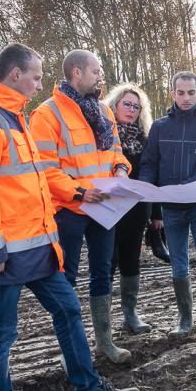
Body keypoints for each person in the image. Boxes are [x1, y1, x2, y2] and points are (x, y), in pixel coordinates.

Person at [0, 43, 139, 391]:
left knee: (69, 309)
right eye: (35, 76)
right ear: (14, 74)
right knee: (1, 332)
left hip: (36, 247)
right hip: (3, 253)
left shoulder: (13, 116)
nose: (40, 83)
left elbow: (33, 184)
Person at [29, 50, 132, 364]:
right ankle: (70, 350)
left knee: (103, 273)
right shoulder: (47, 115)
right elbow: (45, 169)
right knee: (67, 279)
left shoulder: (102, 109)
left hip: (104, 208)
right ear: (76, 73)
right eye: (96, 71)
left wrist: (121, 170)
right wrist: (79, 192)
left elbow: (116, 150)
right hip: (68, 209)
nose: (101, 76)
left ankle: (105, 342)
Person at [139, 71, 196, 343]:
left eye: (190, 93)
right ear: (172, 93)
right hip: (172, 209)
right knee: (178, 264)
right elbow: (150, 163)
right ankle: (185, 320)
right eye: (180, 93)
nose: (185, 98)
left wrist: (187, 185)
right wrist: (145, 186)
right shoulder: (160, 127)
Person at [105, 82, 162, 334]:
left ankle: (130, 315)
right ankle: (103, 322)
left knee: (131, 260)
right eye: (126, 104)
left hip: (137, 209)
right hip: (107, 207)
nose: (131, 110)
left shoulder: (146, 139)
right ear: (114, 104)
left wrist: (156, 214)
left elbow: (154, 178)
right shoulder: (102, 134)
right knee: (107, 262)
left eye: (136, 107)